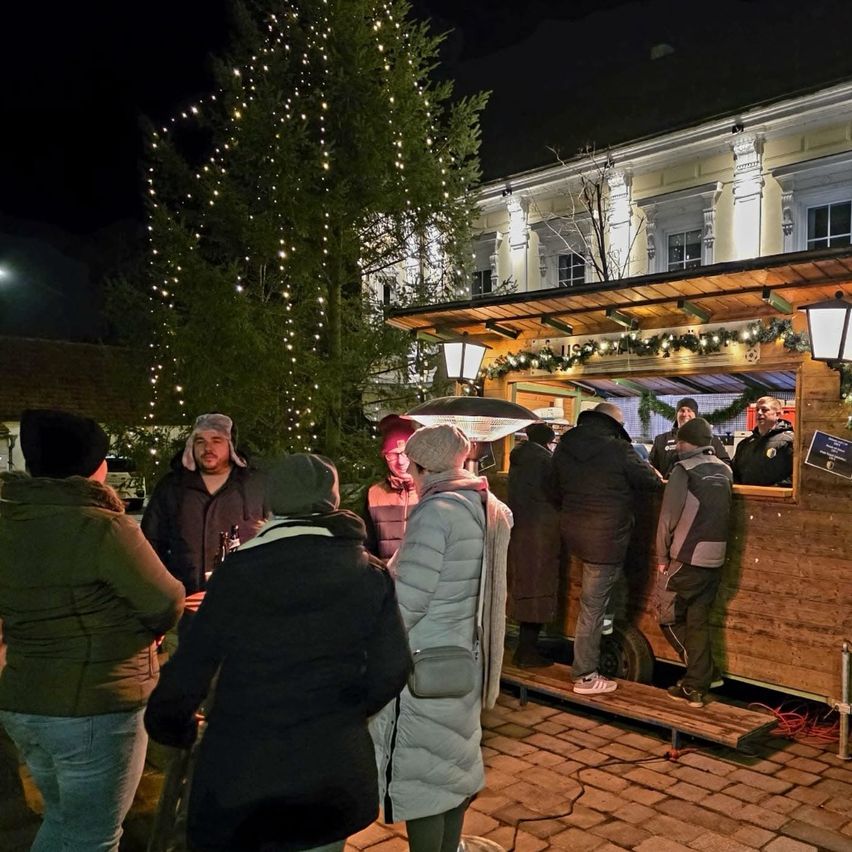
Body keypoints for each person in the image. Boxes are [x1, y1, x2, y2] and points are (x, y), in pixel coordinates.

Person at [144, 453, 411, 852]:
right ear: (332, 502)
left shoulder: (238, 572)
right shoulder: (369, 573)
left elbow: (195, 662)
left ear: (273, 504)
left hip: (245, 770)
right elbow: (393, 668)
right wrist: (346, 710)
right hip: (330, 772)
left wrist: (170, 723)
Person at [0, 409, 185, 852]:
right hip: (94, 707)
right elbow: (167, 600)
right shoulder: (103, 526)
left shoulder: (9, 521)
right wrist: (151, 631)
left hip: (24, 702)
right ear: (91, 467)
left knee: (63, 821)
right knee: (94, 835)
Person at [371, 425, 513, 852]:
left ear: (423, 466)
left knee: (423, 779)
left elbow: (408, 600)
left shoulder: (436, 512)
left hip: (423, 661)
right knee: (452, 769)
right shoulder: (489, 507)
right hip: (462, 659)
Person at [550, 402, 662, 695]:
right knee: (594, 607)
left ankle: (605, 637)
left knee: (595, 601)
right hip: (605, 538)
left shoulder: (565, 446)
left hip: (574, 533)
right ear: (613, 424)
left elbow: (554, 485)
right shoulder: (618, 449)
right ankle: (585, 674)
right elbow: (651, 482)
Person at [142, 412, 268, 594]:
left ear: (230, 445)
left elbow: (274, 540)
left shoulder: (256, 485)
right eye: (200, 441)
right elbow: (150, 543)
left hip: (243, 597)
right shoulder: (172, 487)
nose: (208, 447)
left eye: (216, 440)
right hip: (184, 597)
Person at [655, 417, 733, 708]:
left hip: (685, 557)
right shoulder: (725, 470)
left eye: (679, 441)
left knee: (667, 615)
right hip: (716, 558)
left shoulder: (682, 470)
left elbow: (667, 519)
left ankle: (702, 676)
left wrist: (662, 556)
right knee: (698, 620)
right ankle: (698, 684)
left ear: (686, 443)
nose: (676, 446)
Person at [507, 422, 561, 668]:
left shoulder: (520, 459)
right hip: (541, 531)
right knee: (537, 588)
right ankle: (527, 651)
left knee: (527, 587)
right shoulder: (544, 462)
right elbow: (557, 492)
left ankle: (524, 648)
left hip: (521, 529)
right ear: (548, 441)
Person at [363, 414, 418, 560]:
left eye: (405, 453)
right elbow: (367, 546)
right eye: (392, 455)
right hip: (387, 579)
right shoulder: (374, 494)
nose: (400, 461)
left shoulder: (430, 491)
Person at [649, 397, 731, 478]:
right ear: (676, 414)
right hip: (668, 487)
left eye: (689, 410)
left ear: (695, 414)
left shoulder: (711, 439)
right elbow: (651, 466)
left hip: (699, 488)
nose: (685, 414)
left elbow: (725, 464)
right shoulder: (661, 440)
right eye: (681, 410)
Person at [732, 396, 794, 486]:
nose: (759, 413)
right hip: (746, 497)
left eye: (764, 410)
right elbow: (735, 472)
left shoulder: (789, 441)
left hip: (778, 498)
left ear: (777, 414)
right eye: (757, 410)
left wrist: (776, 490)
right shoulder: (745, 444)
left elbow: (795, 475)